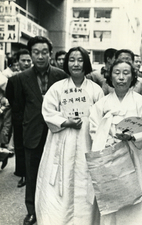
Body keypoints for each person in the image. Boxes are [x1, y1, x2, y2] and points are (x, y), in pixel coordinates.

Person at [35, 46, 103, 225]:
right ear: (66, 63)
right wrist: (66, 122)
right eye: (72, 60)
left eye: (80, 60)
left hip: (86, 141)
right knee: (59, 184)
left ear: (86, 63)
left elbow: (102, 118)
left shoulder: (96, 90)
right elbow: (48, 112)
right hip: (62, 140)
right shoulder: (57, 88)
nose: (76, 64)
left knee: (84, 180)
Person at [89, 59, 142, 225]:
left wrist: (133, 137)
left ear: (133, 77)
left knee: (135, 192)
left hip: (133, 156)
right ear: (110, 76)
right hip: (109, 156)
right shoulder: (102, 104)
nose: (121, 77)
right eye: (117, 73)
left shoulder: (141, 103)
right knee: (110, 193)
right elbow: (93, 129)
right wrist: (107, 140)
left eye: (126, 73)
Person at [17, 36, 68, 225]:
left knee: (55, 174)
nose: (40, 56)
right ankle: (32, 211)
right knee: (32, 174)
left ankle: (52, 209)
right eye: (36, 52)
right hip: (33, 133)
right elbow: (19, 109)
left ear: (50, 53)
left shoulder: (61, 75)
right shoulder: (21, 78)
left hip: (56, 133)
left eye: (44, 52)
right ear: (30, 54)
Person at [6, 49, 32, 188]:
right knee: (20, 147)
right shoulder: (13, 80)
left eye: (29, 60)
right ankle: (23, 174)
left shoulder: (35, 78)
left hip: (34, 117)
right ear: (18, 62)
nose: (26, 63)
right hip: (19, 118)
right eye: (23, 60)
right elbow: (10, 96)